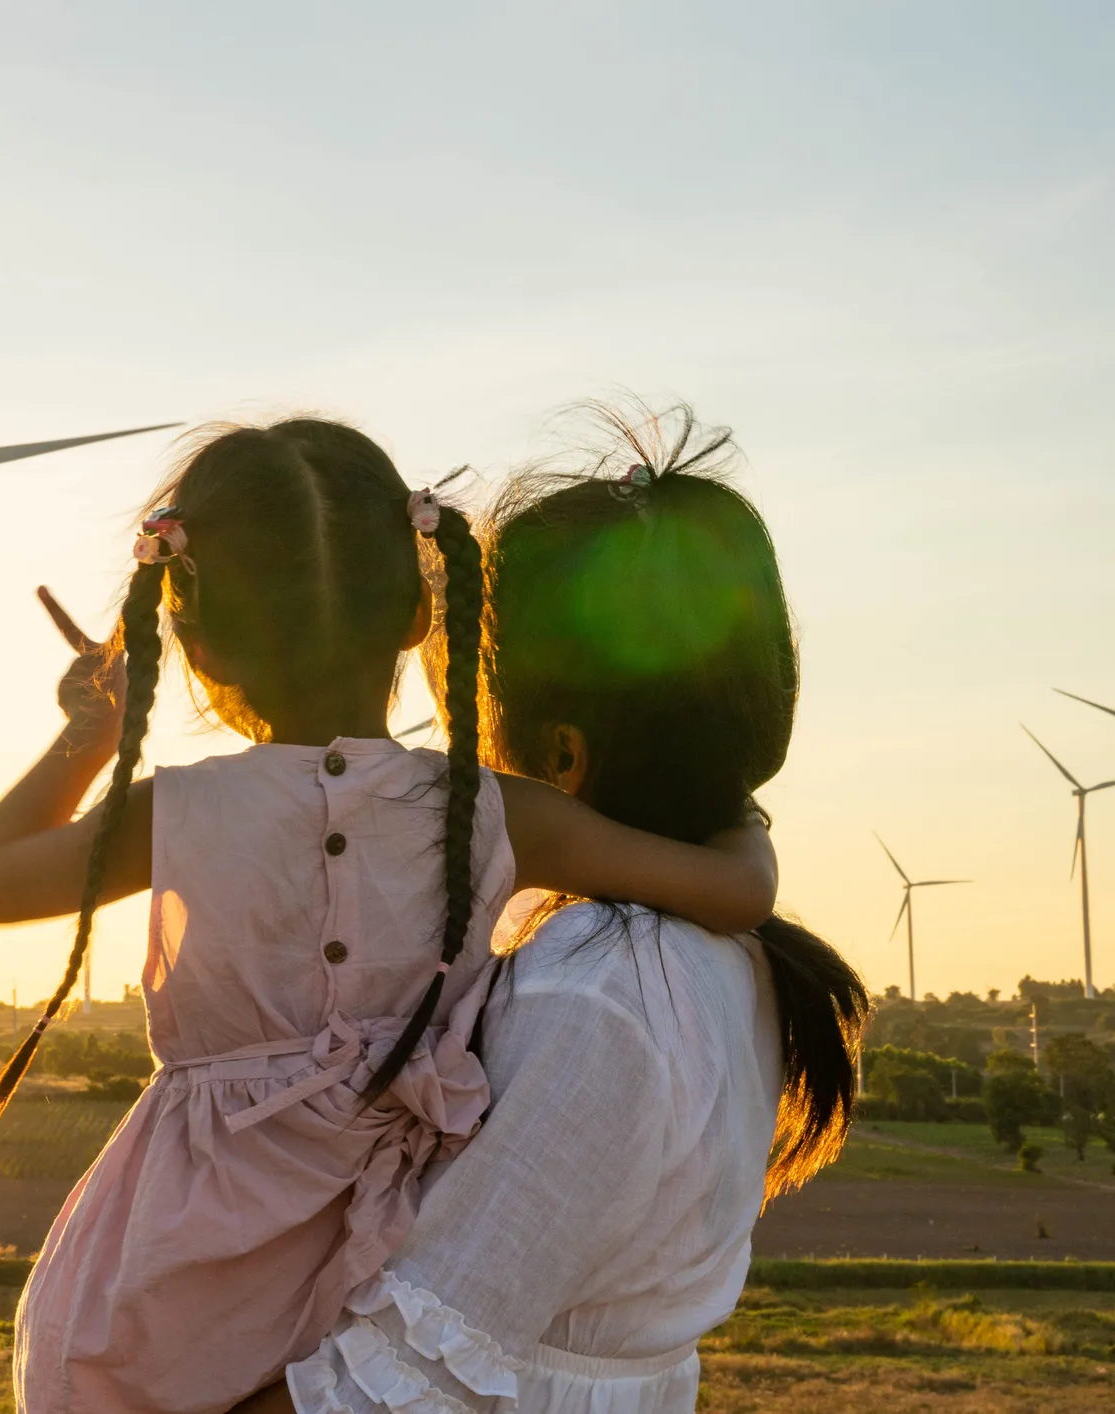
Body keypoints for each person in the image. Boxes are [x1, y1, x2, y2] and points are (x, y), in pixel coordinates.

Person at [0, 417, 785, 1414]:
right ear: (417, 613)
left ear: (197, 639)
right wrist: (740, 806)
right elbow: (736, 891)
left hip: (176, 1267)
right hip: (363, 1239)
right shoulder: (495, 812)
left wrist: (91, 733)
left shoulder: (175, 811)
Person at [259, 404, 869, 1414]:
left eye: (478, 695)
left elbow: (407, 1376)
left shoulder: (605, 991)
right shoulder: (724, 951)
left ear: (563, 756)